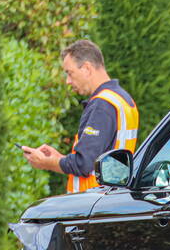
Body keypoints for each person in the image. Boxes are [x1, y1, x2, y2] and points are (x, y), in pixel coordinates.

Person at [22, 39, 139, 193]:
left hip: (93, 203)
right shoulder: (123, 99)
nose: (68, 81)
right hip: (110, 198)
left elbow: (83, 164)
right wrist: (60, 158)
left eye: (70, 73)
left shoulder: (102, 105)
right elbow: (99, 158)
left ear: (86, 68)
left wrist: (47, 163)